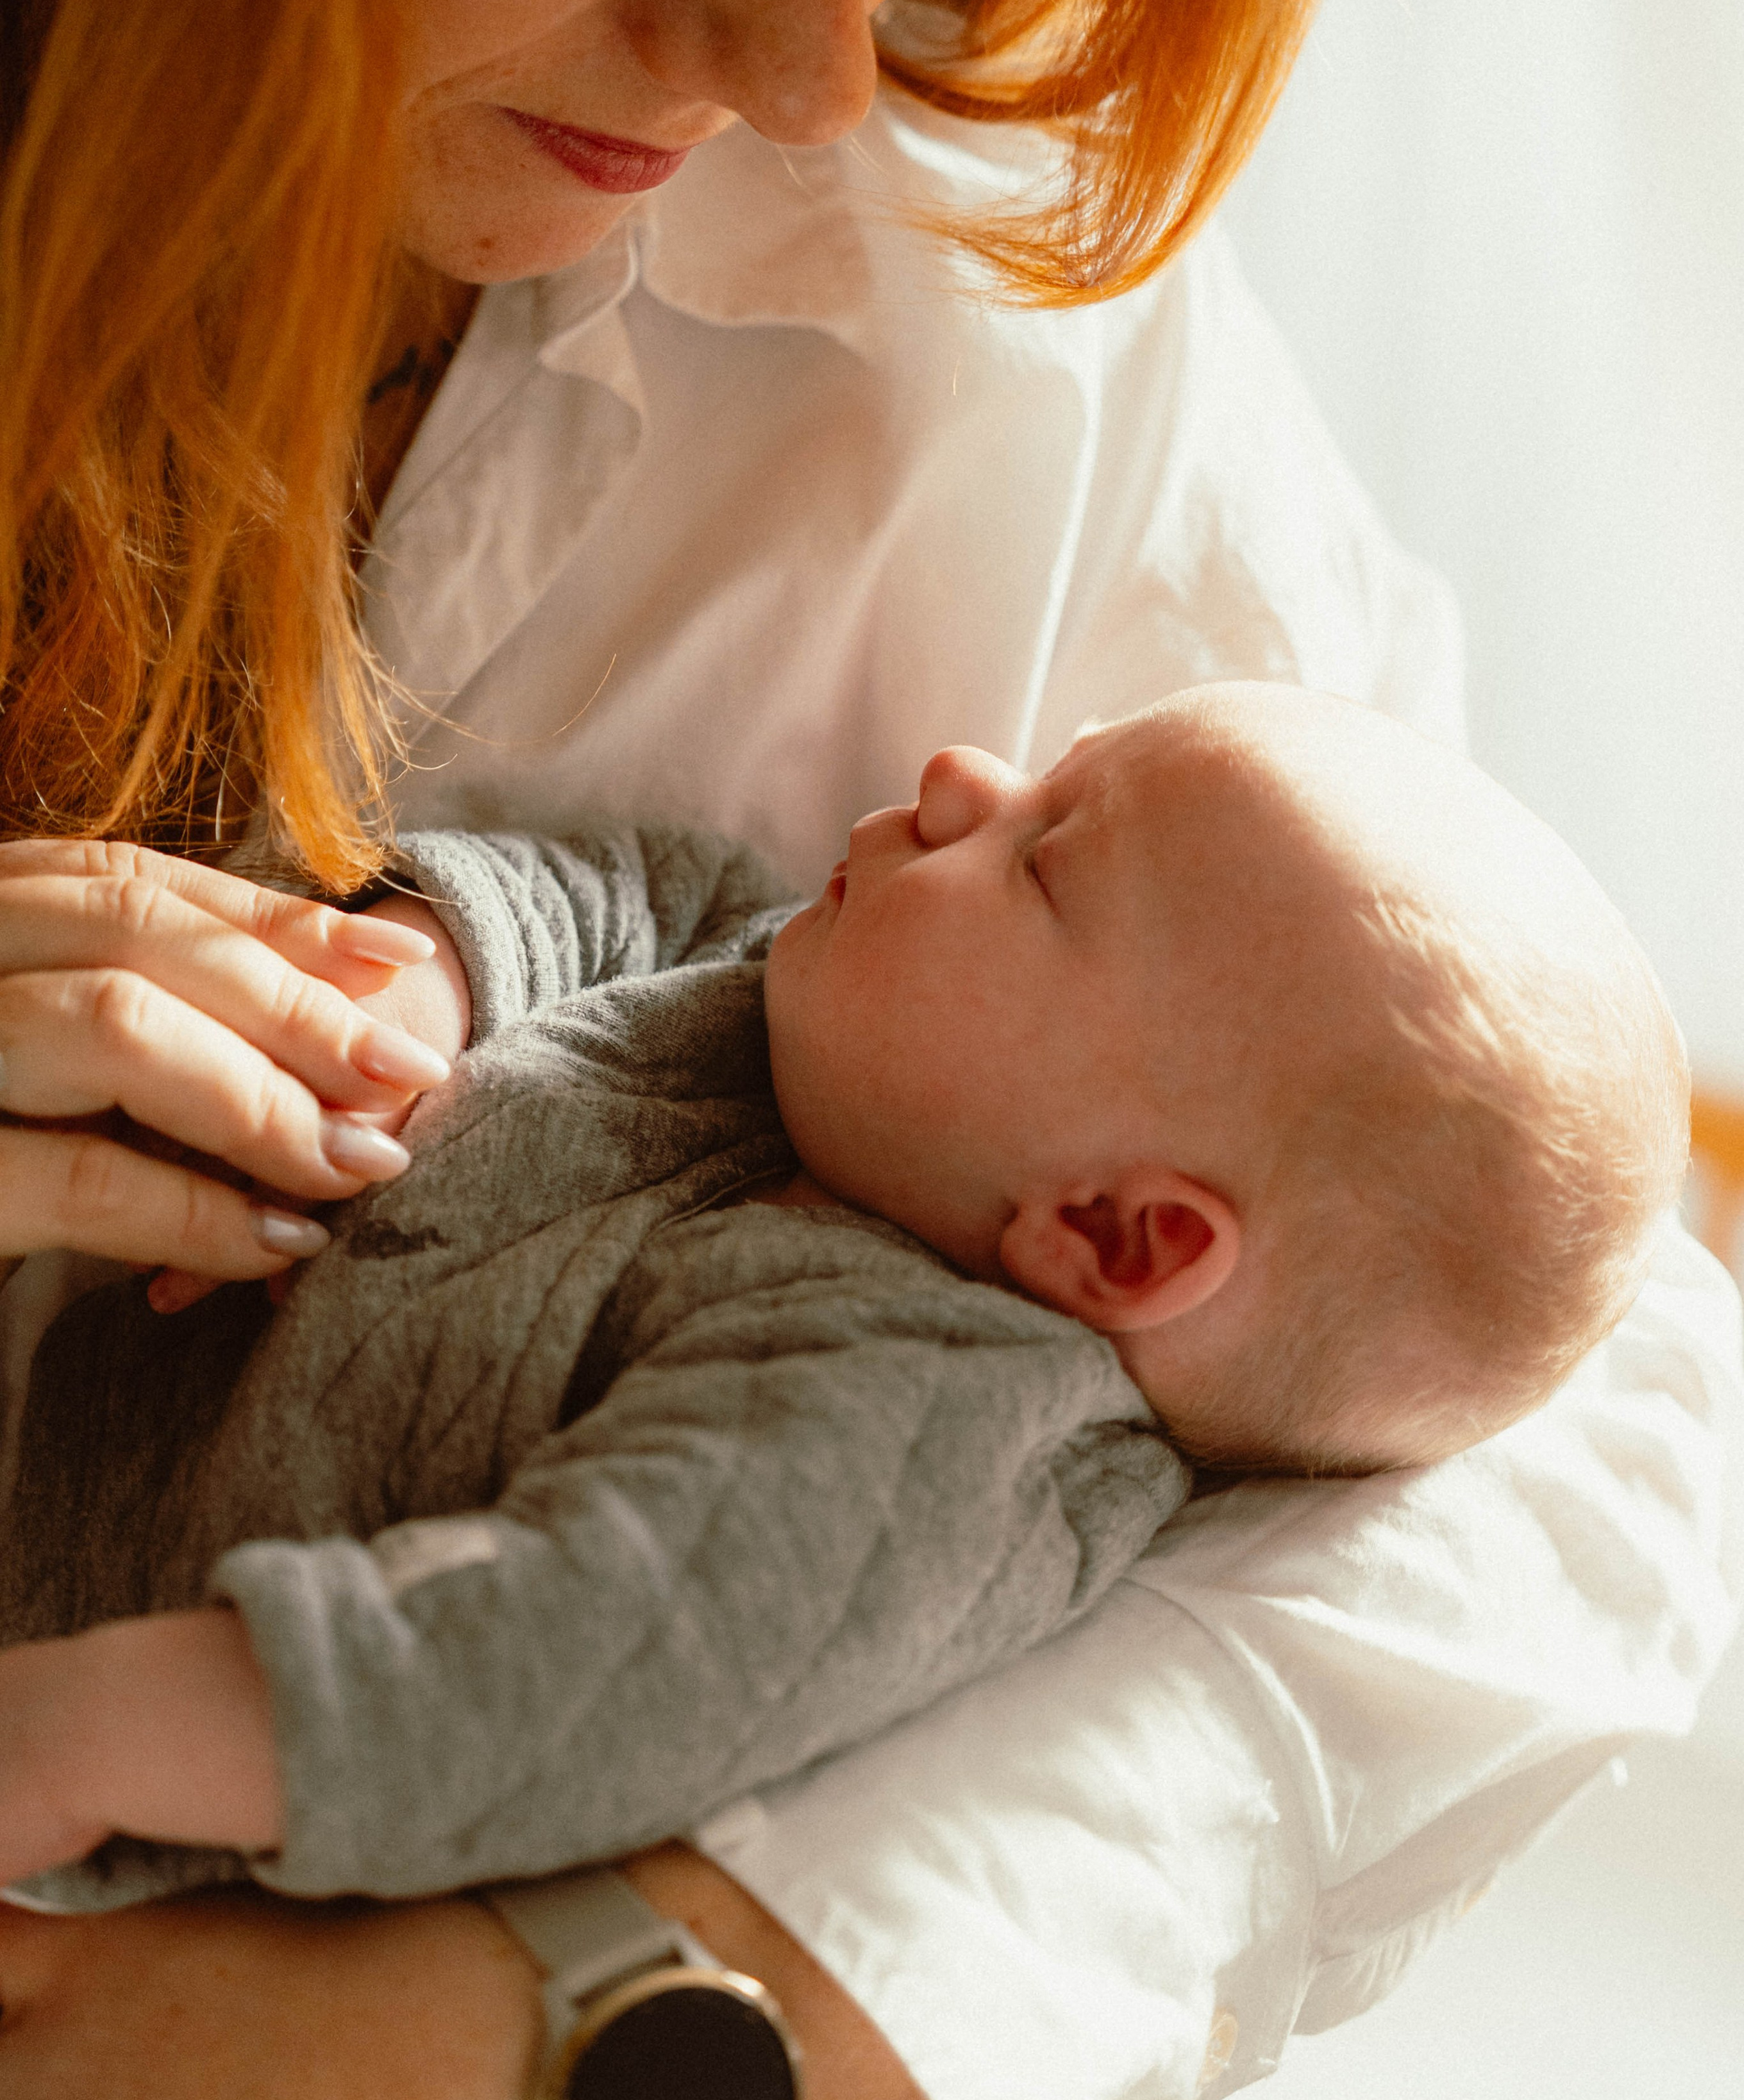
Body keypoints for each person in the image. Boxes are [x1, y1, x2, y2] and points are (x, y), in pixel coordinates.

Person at [0, 0, 1737, 2100]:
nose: (821, 67)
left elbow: (1560, 1411)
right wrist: (456, 950)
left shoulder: (1000, 320)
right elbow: (632, 906)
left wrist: (598, 2063)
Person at [0, 684, 1692, 1915]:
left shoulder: (923, 1425)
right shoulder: (812, 1020)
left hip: (114, 1762)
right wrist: (426, 983)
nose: (964, 774)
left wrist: (80, 1743)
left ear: (1113, 1237)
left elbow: (575, 1654)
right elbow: (639, 892)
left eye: (1043, 861)